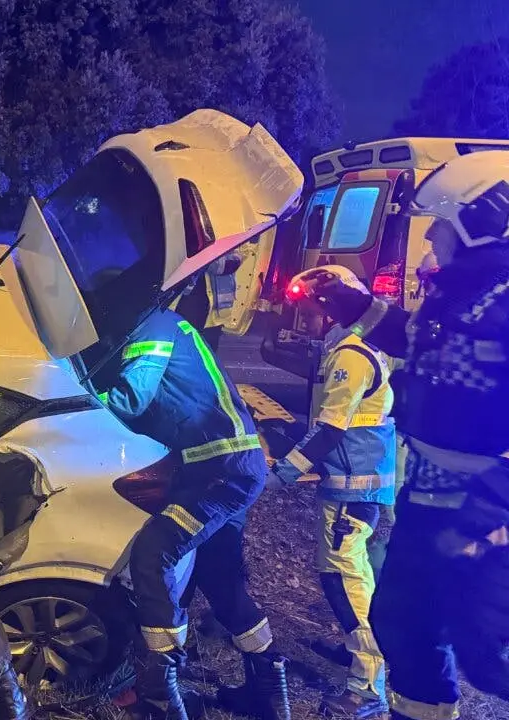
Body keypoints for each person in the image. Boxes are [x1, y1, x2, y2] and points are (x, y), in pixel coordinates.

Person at [296, 150, 509, 720]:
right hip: (433, 498)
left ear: (486, 220)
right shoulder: (467, 295)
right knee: (404, 623)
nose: (432, 236)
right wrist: (348, 300)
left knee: (489, 651)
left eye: (443, 222)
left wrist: (489, 517)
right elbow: (416, 339)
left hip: (484, 514)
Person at [92, 308, 289, 720]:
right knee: (220, 581)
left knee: (153, 552)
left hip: (218, 472)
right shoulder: (167, 323)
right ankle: (268, 693)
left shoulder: (151, 327)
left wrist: (80, 401)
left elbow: (130, 399)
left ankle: (160, 695)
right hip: (224, 468)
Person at [271, 264, 396, 719]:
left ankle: (366, 686)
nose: (302, 318)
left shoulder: (350, 356)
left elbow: (329, 431)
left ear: (330, 308)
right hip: (355, 484)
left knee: (345, 580)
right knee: (346, 575)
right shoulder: (354, 347)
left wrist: (282, 473)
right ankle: (361, 654)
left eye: (307, 309)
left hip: (352, 488)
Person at [175, 250, 242, 352]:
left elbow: (233, 262)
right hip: (183, 309)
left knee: (206, 358)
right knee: (182, 354)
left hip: (213, 317)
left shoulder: (228, 237)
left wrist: (202, 258)